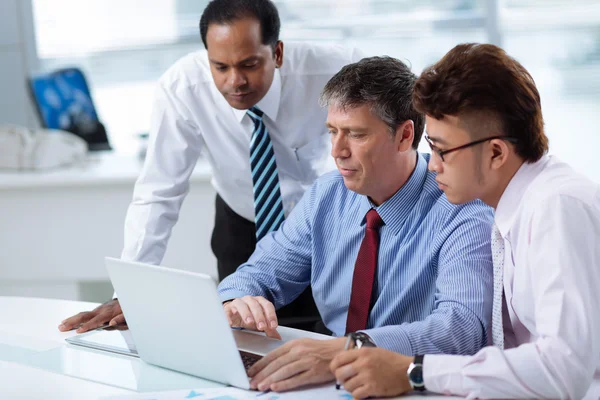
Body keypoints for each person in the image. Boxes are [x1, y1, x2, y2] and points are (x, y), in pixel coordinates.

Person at [58, 0, 365, 334]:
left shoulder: (337, 69)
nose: (235, 81)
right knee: (246, 340)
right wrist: (128, 293)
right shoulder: (183, 87)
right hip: (242, 223)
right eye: (220, 67)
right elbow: (159, 192)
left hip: (324, 226)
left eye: (249, 64)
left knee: (331, 334)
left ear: (277, 53)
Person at [331, 43, 600, 400]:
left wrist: (415, 372)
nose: (433, 164)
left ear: (495, 152)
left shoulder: (556, 207)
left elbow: (562, 370)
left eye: (443, 150)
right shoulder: (514, 207)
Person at [217, 55, 495, 392]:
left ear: (405, 136)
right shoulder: (326, 195)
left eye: (356, 135)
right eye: (333, 131)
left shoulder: (462, 209)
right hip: (329, 382)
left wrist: (349, 350)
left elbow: (461, 329)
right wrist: (238, 299)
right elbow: (260, 272)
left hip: (410, 387)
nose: (337, 150)